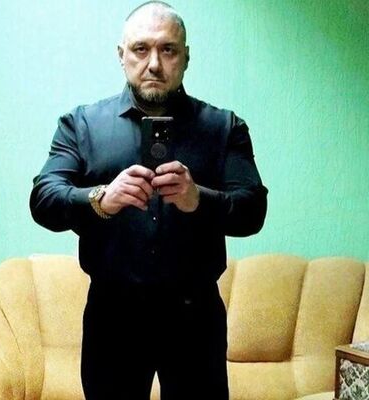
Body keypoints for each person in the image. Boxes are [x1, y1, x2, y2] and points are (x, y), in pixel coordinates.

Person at [30, 1, 268, 399]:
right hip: (113, 316)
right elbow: (43, 199)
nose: (154, 63)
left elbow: (253, 210)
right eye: (141, 49)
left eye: (168, 49)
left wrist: (199, 199)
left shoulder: (224, 127)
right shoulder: (81, 125)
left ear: (186, 57)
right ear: (121, 55)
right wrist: (100, 198)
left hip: (196, 318)